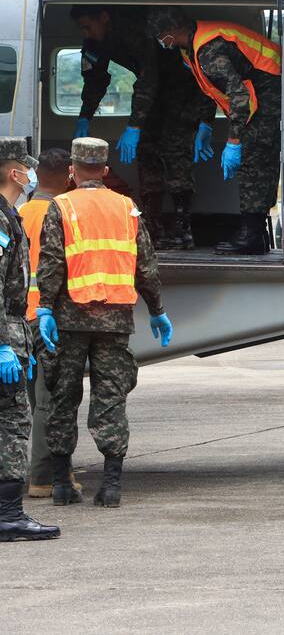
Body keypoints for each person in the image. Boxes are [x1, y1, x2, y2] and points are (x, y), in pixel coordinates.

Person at [36, 137, 174, 508]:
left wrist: (45, 308)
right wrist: (158, 309)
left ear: (72, 171)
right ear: (106, 171)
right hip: (115, 320)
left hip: (70, 318)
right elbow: (146, 264)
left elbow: (51, 262)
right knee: (111, 399)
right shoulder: (126, 207)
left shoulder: (61, 206)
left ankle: (62, 485)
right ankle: (111, 486)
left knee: (63, 397)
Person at [69, 5, 210, 250]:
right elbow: (95, 79)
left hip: (181, 92)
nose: (87, 33)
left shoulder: (135, 29)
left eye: (88, 26)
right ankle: (152, 226)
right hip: (151, 99)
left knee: (176, 154)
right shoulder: (94, 42)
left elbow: (149, 77)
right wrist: (85, 117)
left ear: (104, 15)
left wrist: (134, 126)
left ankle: (182, 228)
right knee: (147, 155)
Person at [147, 8, 281, 255]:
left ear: (173, 31)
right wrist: (206, 123)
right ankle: (256, 233)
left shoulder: (208, 50)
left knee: (253, 162)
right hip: (261, 91)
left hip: (270, 90)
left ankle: (252, 236)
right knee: (253, 162)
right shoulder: (191, 49)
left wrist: (234, 140)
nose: (160, 40)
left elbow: (239, 96)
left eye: (161, 34)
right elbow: (210, 88)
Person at [0, 138, 60, 541]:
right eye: (26, 166)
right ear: (13, 172)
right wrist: (4, 343)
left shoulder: (10, 215)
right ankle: (9, 514)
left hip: (14, 332)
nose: (30, 173)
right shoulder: (1, 220)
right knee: (13, 423)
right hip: (4, 337)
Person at [21, 149, 82, 500]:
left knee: (32, 402)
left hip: (22, 319)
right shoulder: (64, 214)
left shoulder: (19, 213)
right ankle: (43, 477)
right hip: (51, 320)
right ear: (68, 175)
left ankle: (52, 470)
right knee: (53, 402)